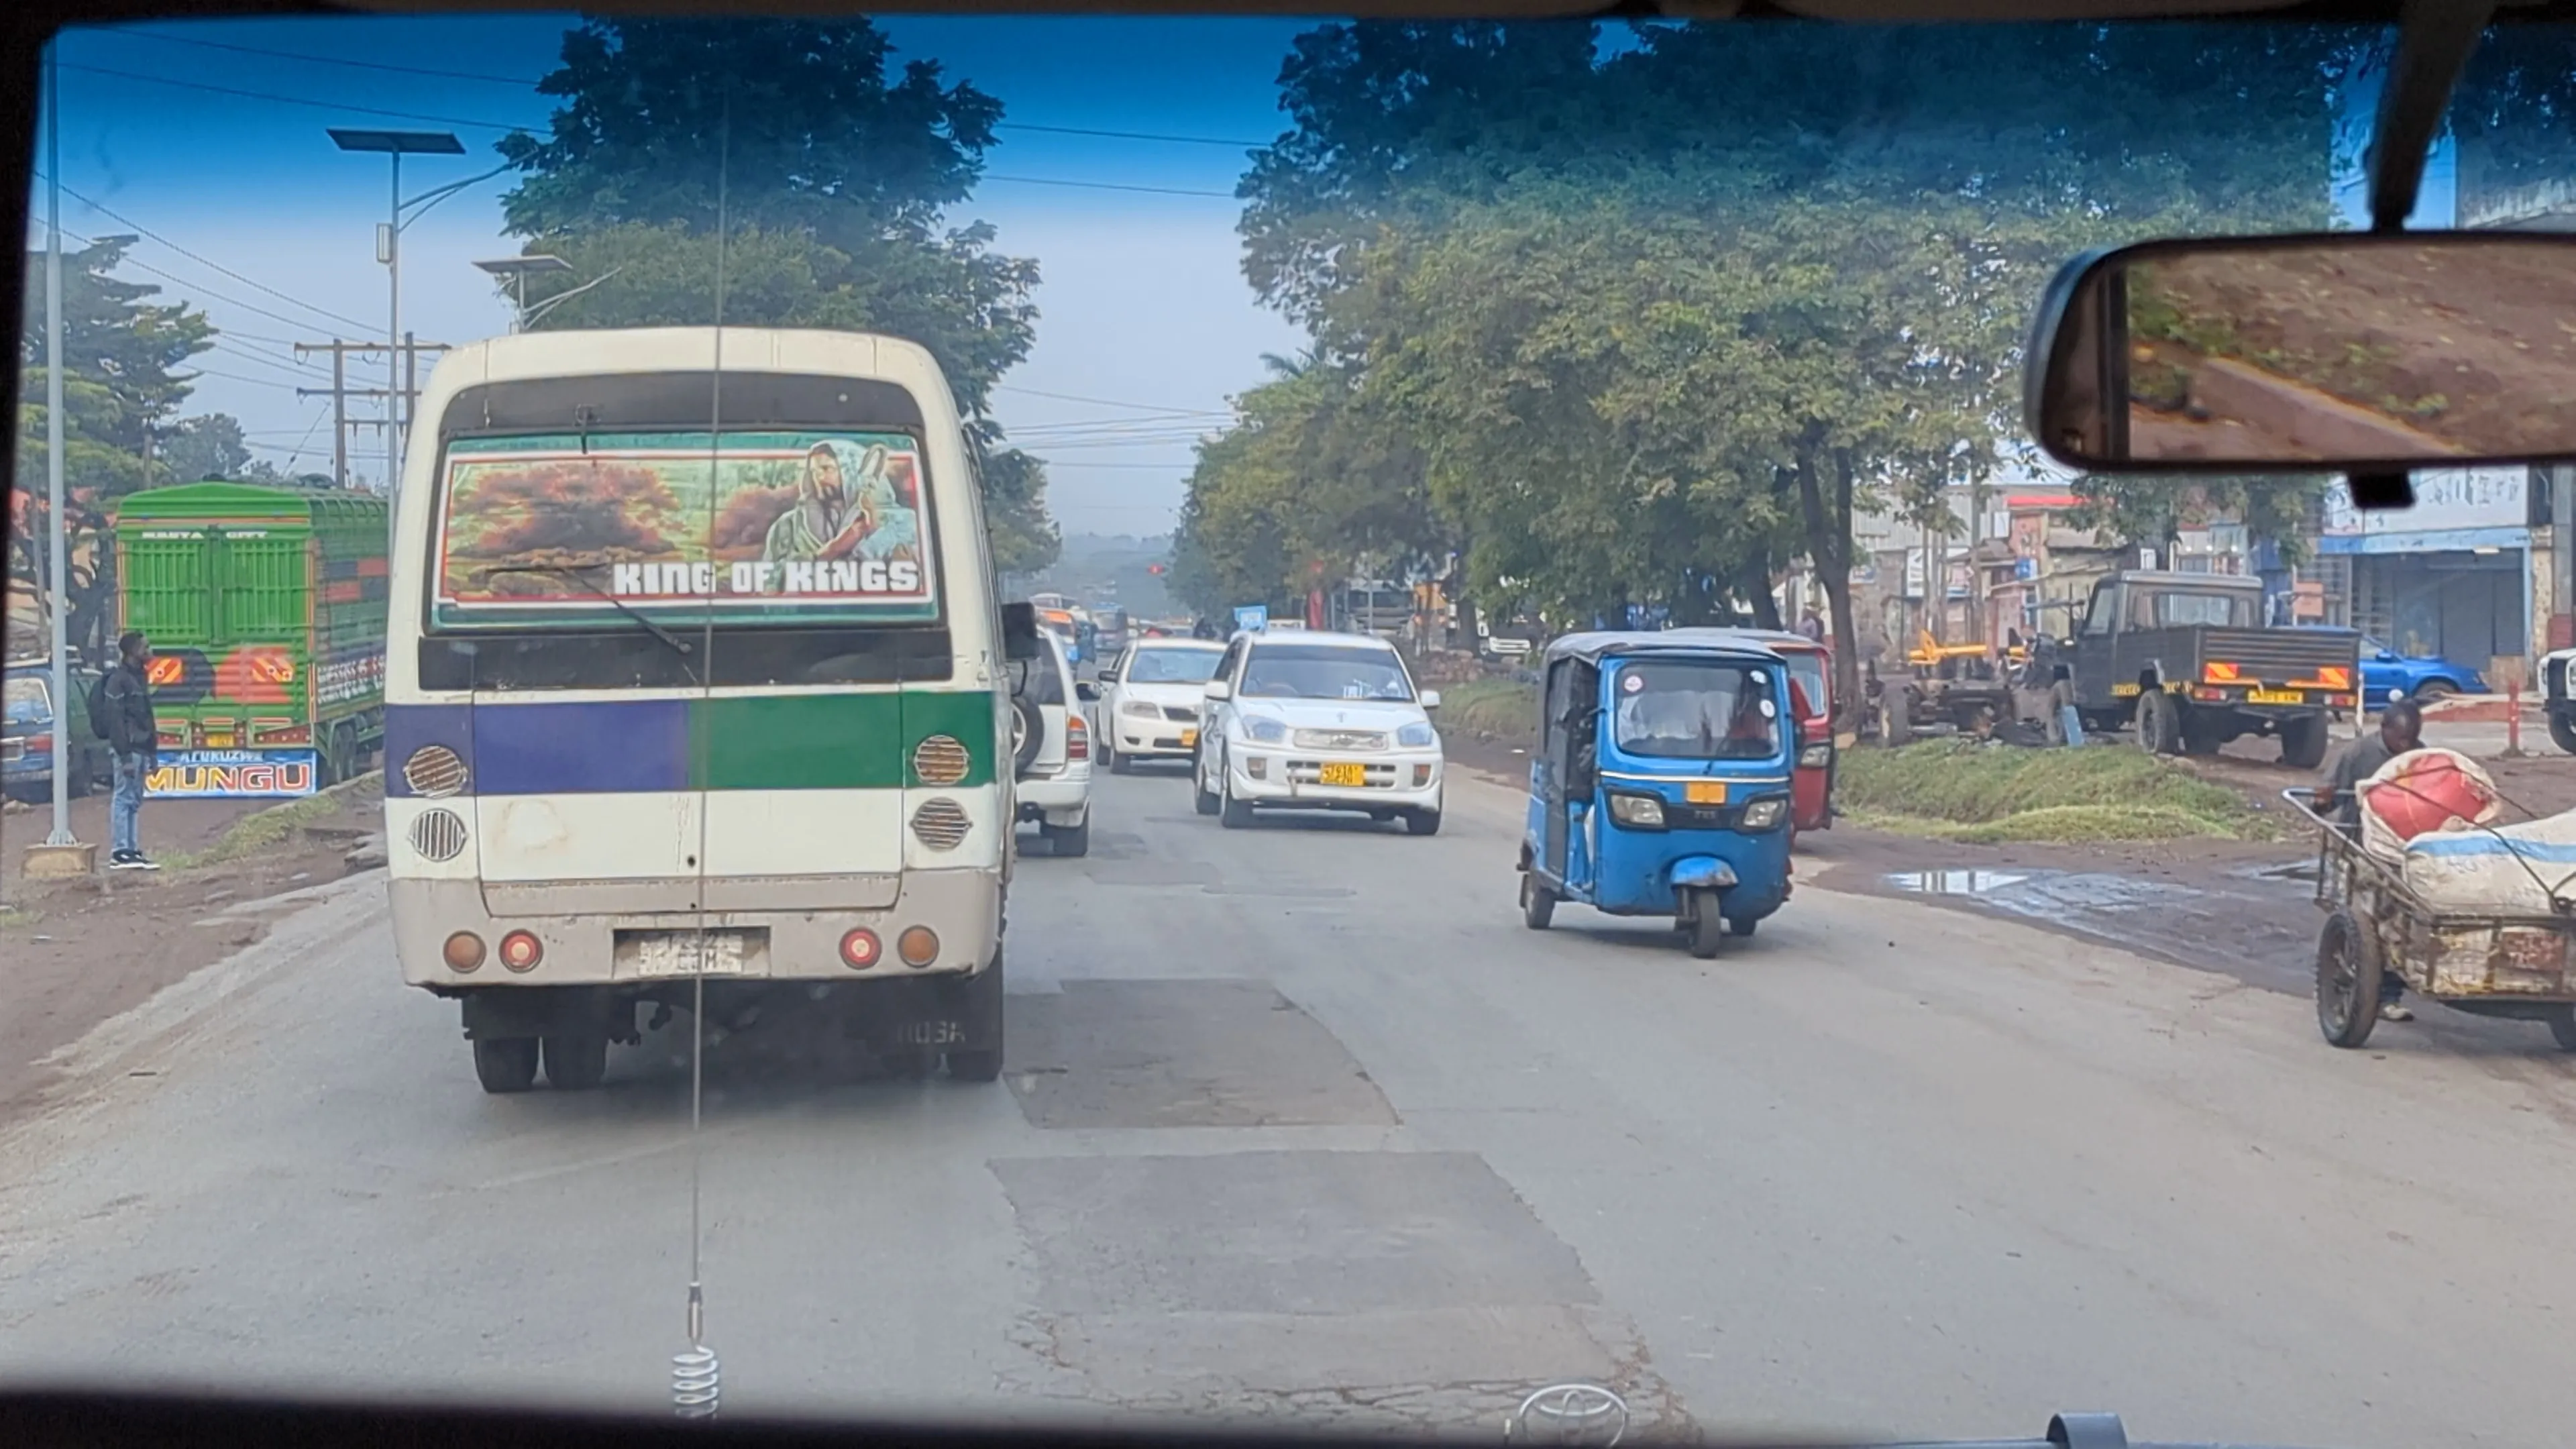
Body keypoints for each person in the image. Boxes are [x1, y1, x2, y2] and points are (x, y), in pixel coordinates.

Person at [2316, 698, 2424, 1020]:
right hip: (2359, 849)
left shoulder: (2421, 757)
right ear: (2385, 729)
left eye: (2412, 739)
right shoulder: (2357, 754)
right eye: (2401, 739)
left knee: (2399, 925)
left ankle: (2389, 996)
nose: (2406, 746)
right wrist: (2323, 800)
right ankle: (2357, 989)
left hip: (2402, 851)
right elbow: (2325, 799)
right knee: (2366, 923)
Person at [99, 630, 160, 871]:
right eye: (146, 647)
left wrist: (153, 753)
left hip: (142, 749)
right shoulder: (119, 680)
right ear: (134, 651)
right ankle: (120, 851)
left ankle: (132, 850)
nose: (150, 651)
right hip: (129, 750)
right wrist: (124, 755)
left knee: (134, 801)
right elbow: (115, 721)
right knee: (124, 798)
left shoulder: (139, 678)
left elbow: (146, 717)